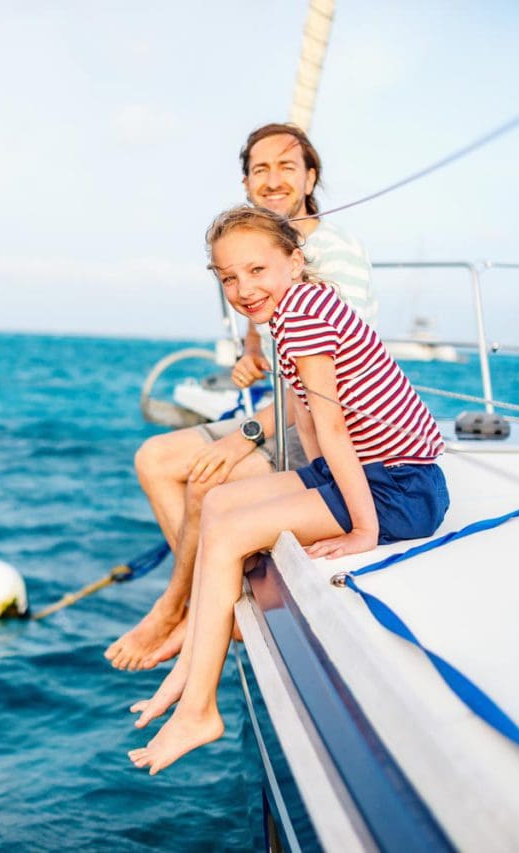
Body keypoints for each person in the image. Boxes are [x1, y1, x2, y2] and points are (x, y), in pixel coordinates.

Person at [127, 205, 448, 774]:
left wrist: (362, 528)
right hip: (378, 472)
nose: (244, 288)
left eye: (257, 270)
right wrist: (307, 485)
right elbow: (304, 420)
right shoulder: (299, 310)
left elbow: (332, 425)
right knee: (220, 501)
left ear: (294, 261)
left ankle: (200, 708)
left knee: (224, 533)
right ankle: (190, 670)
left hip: (399, 486)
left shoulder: (300, 317)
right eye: (228, 277)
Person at [105, 123, 374, 671]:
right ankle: (189, 605)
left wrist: (243, 437)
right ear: (247, 182)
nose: (273, 179)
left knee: (208, 481)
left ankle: (183, 610)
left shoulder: (330, 256)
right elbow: (265, 346)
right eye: (260, 169)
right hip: (281, 409)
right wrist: (250, 359)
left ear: (311, 177)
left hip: (321, 425)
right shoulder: (252, 255)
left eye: (287, 166)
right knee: (154, 459)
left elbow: (327, 385)